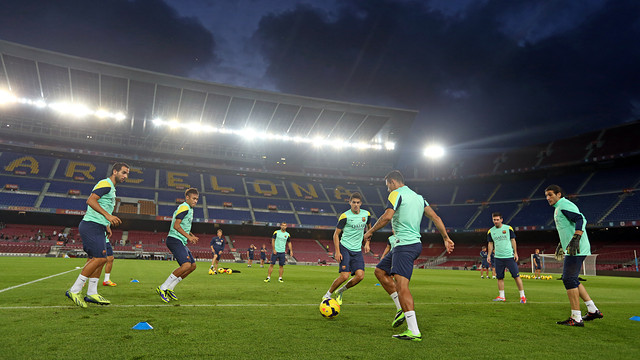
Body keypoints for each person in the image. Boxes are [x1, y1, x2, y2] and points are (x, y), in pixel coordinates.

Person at [364, 170, 454, 342]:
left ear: (392, 182)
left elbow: (387, 217)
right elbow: (435, 217)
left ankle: (413, 330)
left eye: (387, 186)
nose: (388, 190)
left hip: (405, 245)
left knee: (402, 286)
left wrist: (370, 231)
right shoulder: (419, 197)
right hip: (408, 245)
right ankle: (400, 309)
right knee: (380, 271)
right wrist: (446, 238)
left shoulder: (396, 194)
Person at [65, 162, 129, 307]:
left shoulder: (111, 188)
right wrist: (108, 216)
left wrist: (106, 225)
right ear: (115, 171)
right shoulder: (105, 184)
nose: (125, 176)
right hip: (91, 225)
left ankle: (92, 293)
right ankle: (74, 290)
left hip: (99, 226)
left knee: (101, 259)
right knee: (100, 258)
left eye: (127, 174)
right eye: (123, 172)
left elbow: (102, 204)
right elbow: (91, 200)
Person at [545, 185, 602, 326]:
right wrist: (561, 243)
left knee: (568, 279)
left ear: (559, 194)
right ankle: (592, 310)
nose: (548, 198)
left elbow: (580, 219)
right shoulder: (560, 207)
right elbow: (567, 228)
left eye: (550, 195)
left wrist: (577, 236)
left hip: (576, 249)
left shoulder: (563, 205)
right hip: (573, 248)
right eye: (546, 195)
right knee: (573, 279)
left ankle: (576, 318)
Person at [322, 192, 371, 305]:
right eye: (353, 202)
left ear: (361, 203)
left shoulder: (366, 214)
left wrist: (367, 243)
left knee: (360, 276)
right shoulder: (345, 216)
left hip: (357, 250)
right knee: (344, 276)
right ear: (350, 203)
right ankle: (327, 295)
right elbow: (336, 234)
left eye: (358, 202)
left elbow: (369, 229)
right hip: (345, 247)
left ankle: (340, 291)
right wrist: (337, 251)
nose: (356, 204)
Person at [156, 188, 200, 303]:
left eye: (197, 199)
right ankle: (162, 287)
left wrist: (191, 235)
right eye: (194, 198)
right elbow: (176, 225)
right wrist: (189, 237)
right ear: (187, 197)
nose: (195, 201)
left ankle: (170, 288)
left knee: (192, 266)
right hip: (174, 239)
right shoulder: (184, 207)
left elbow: (183, 225)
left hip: (180, 240)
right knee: (186, 265)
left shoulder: (189, 209)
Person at [486, 212, 526, 303]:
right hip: (498, 257)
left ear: (501, 219)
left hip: (509, 256)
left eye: (497, 219)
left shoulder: (508, 228)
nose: (495, 221)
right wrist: (488, 255)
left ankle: (522, 296)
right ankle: (501, 296)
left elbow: (513, 240)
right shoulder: (490, 231)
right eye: (494, 220)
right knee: (499, 277)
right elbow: (490, 244)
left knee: (516, 276)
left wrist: (515, 253)